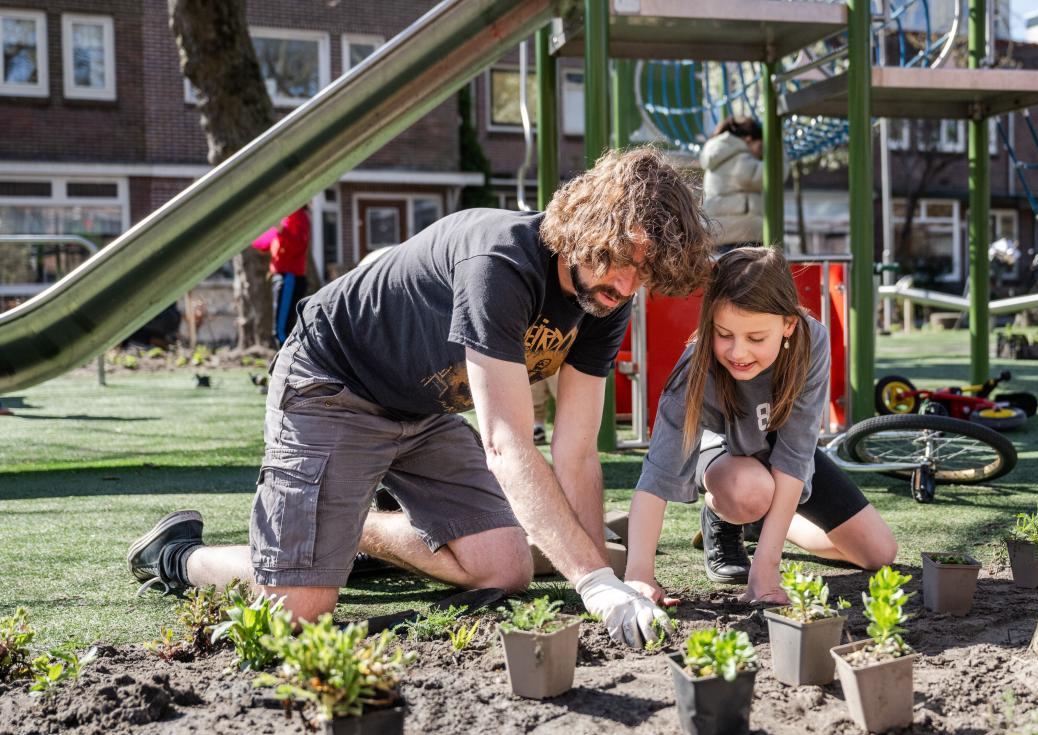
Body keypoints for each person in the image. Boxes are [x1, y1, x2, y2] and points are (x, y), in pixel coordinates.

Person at [127, 148, 714, 648]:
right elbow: (507, 443)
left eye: (646, 273)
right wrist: (592, 581)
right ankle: (179, 557)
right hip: (333, 387)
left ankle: (347, 525)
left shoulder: (603, 301)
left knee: (504, 571)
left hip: (420, 410)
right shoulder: (501, 262)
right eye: (623, 260)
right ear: (588, 226)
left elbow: (578, 451)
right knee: (299, 610)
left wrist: (607, 574)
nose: (628, 286)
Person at [623, 248, 898, 604]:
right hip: (725, 458)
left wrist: (766, 564)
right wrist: (639, 574)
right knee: (750, 491)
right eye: (724, 334)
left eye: (755, 339)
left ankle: (758, 523)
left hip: (774, 450)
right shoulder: (694, 371)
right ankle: (724, 516)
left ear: (788, 325)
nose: (738, 353)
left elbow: (795, 455)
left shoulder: (812, 340)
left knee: (879, 553)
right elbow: (657, 477)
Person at [699, 117, 766, 252]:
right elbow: (768, 175)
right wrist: (780, 152)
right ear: (748, 140)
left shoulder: (719, 156)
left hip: (719, 234)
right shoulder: (740, 159)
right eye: (759, 147)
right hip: (742, 235)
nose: (760, 153)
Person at [251, 205, 312, 347]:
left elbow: (299, 244)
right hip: (281, 277)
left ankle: (287, 366)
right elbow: (264, 244)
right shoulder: (284, 215)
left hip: (289, 278)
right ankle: (288, 366)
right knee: (282, 329)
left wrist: (281, 230)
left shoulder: (298, 215)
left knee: (282, 331)